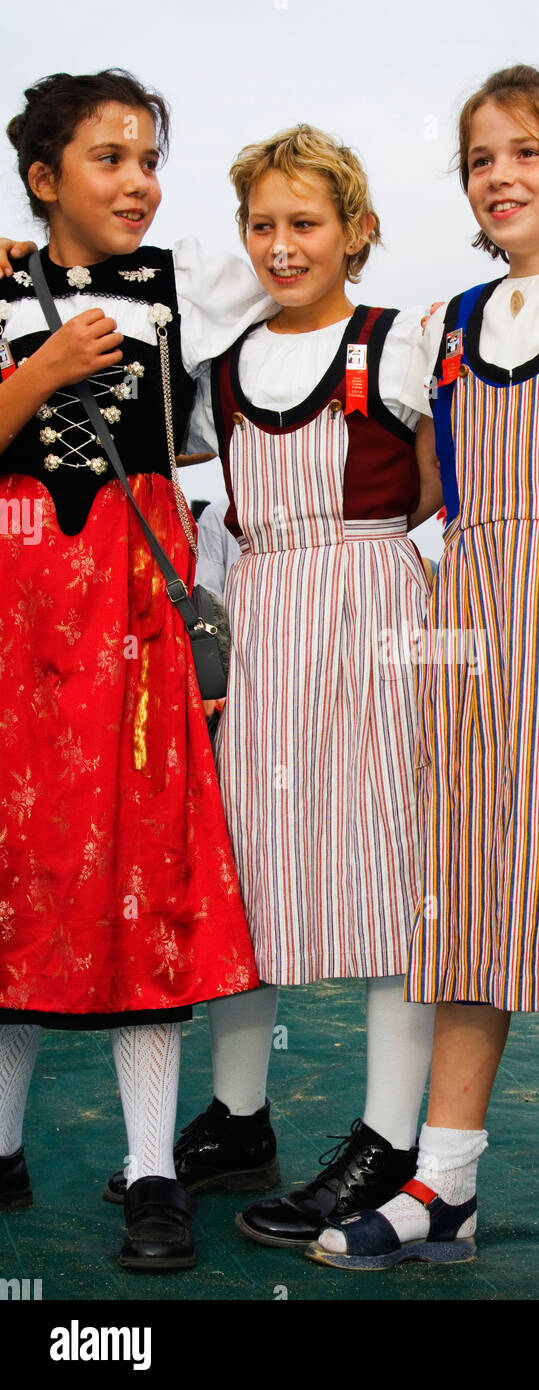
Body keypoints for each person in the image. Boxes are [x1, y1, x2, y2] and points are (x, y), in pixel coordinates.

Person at [308, 64, 539, 1274]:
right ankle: (444, 1186)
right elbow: (403, 490)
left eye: (527, 152)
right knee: (467, 904)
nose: (502, 175)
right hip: (471, 636)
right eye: (481, 160)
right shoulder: (442, 329)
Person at [129, 123, 445, 1250]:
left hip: (371, 610)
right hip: (262, 616)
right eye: (260, 224)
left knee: (389, 866)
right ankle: (239, 1114)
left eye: (304, 222)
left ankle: (389, 1138)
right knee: (245, 863)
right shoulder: (223, 365)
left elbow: (445, 470)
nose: (280, 243)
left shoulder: (398, 344)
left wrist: (358, 560)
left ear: (356, 231)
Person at [0, 70, 265, 1269]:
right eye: (107, 159)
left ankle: (153, 1171)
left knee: (143, 861)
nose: (139, 181)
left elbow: (311, 236)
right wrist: (43, 370)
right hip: (13, 616)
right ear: (44, 179)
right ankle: (0, 1147)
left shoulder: (181, 286)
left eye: (148, 156)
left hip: (134, 619)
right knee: (17, 871)